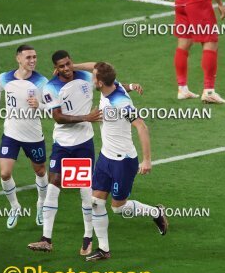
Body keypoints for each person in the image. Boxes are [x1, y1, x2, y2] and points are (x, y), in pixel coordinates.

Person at [28, 51, 141, 255]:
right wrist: (86, 118)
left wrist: (129, 87)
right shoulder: (51, 87)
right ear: (55, 67)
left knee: (85, 192)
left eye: (68, 64)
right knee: (53, 186)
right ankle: (46, 239)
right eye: (61, 66)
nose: (66, 68)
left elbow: (106, 78)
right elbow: (59, 118)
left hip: (82, 144)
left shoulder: (88, 77)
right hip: (62, 144)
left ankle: (88, 237)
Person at [86, 62, 168, 262]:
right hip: (105, 157)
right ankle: (104, 249)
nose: (91, 78)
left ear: (100, 82)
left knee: (118, 208)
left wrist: (147, 160)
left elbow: (141, 127)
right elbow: (96, 65)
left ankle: (156, 212)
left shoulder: (121, 103)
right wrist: (71, 66)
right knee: (96, 203)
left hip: (123, 161)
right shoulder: (113, 86)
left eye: (93, 76)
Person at [0, 45, 49, 229]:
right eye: (29, 57)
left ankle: (41, 205)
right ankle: (15, 206)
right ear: (18, 59)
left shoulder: (42, 82)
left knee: (39, 171)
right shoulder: (4, 78)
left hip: (33, 135)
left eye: (35, 57)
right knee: (5, 173)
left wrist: (38, 105)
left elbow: (54, 106)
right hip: (11, 134)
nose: (33, 61)